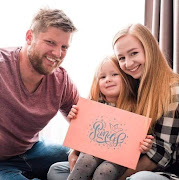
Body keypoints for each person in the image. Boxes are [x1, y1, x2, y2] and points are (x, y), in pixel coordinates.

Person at [0, 8, 79, 180]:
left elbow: (85, 121)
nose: (57, 54)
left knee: (81, 161)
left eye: (64, 47)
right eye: (50, 42)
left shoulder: (61, 80)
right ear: (29, 37)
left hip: (32, 151)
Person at [47, 55, 154, 180]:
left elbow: (140, 142)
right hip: (92, 153)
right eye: (102, 77)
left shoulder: (136, 107)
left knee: (105, 170)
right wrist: (75, 117)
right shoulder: (93, 105)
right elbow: (80, 134)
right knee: (81, 161)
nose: (108, 80)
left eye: (114, 75)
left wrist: (145, 145)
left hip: (117, 159)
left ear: (126, 78)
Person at [112, 23, 179, 180]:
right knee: (59, 169)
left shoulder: (173, 90)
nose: (128, 64)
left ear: (150, 50)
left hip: (169, 171)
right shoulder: (130, 86)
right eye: (121, 58)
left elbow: (161, 154)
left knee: (139, 179)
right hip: (129, 163)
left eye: (134, 53)